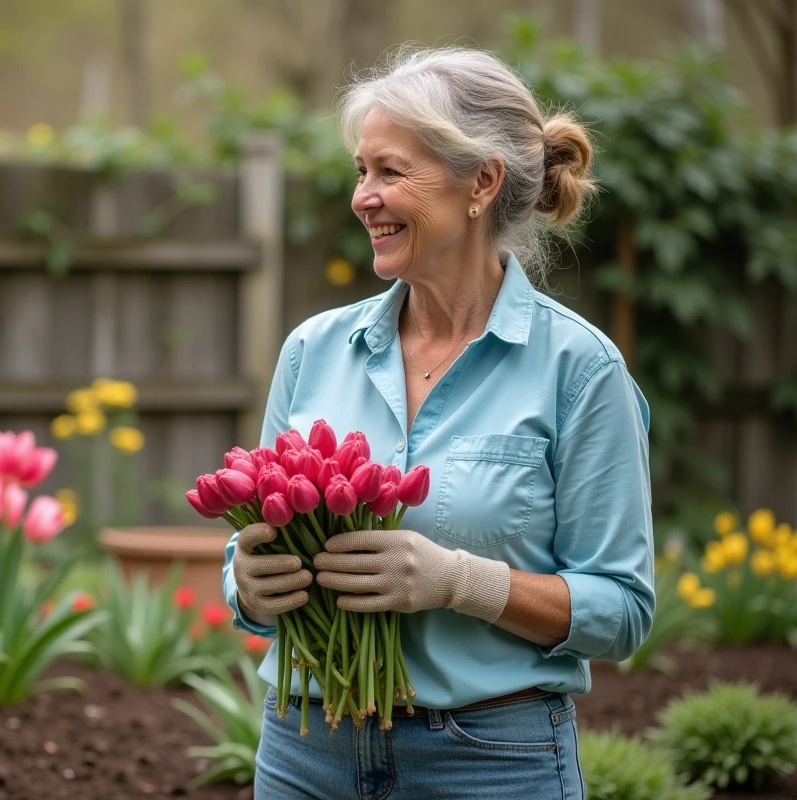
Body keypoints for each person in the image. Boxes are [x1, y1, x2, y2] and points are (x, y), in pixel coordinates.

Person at [222, 45, 654, 799]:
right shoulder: (312, 351)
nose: (363, 197)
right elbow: (245, 555)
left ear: (481, 182)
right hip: (304, 755)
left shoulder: (579, 369)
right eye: (361, 171)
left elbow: (622, 610)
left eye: (391, 172)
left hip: (489, 761)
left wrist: (462, 581)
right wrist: (250, 587)